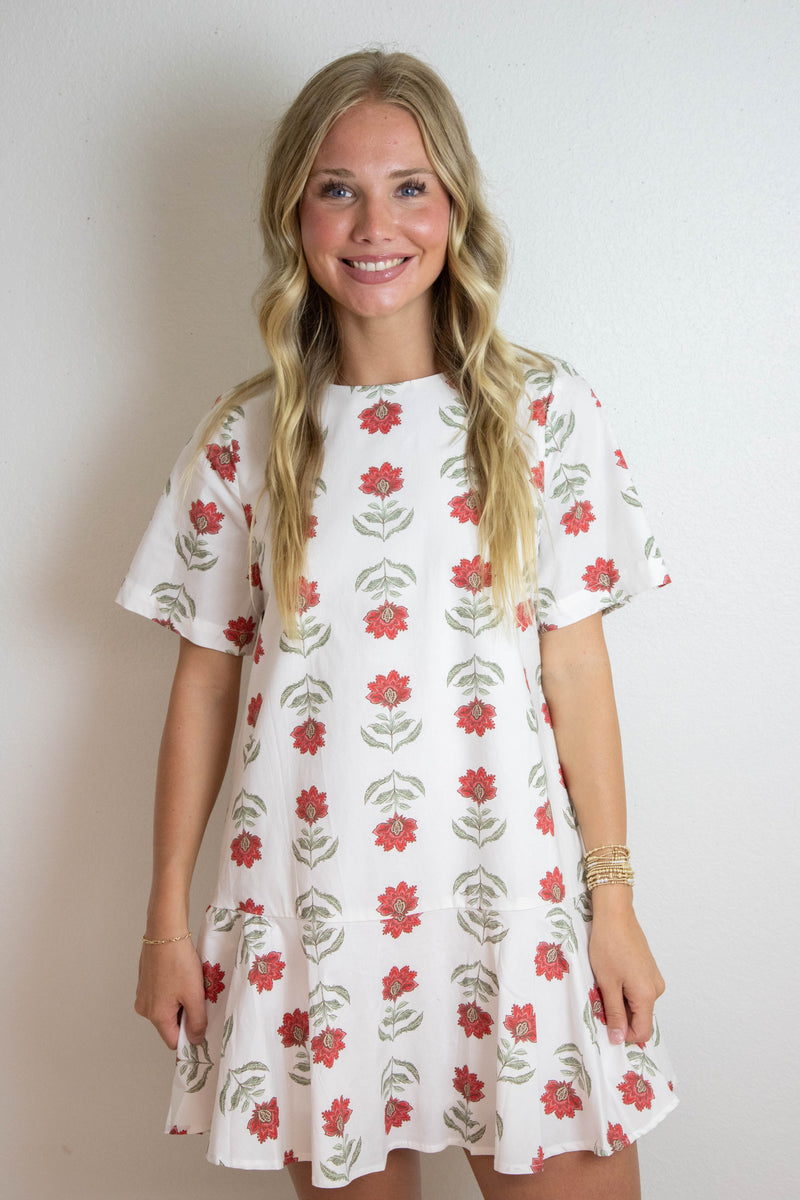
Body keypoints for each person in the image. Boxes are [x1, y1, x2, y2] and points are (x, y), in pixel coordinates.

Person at [117, 48, 678, 1200]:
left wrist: (612, 901)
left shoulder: (541, 414)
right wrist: (166, 924)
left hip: (505, 902)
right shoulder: (244, 437)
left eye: (408, 187)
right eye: (338, 189)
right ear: (295, 214)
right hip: (313, 918)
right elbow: (203, 687)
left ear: (454, 205)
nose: (375, 225)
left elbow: (576, 673)